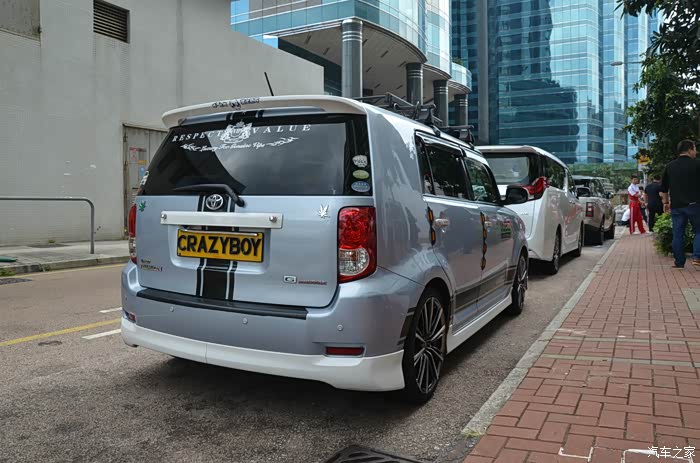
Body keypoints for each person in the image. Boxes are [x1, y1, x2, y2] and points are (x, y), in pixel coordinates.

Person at [661, 140, 700, 268]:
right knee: (698, 231)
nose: (696, 152)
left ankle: (679, 262)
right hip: (695, 205)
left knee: (678, 234)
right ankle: (697, 257)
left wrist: (666, 202)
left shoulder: (670, 166)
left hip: (677, 206)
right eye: (695, 149)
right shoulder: (697, 164)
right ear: (689, 149)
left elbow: (664, 188)